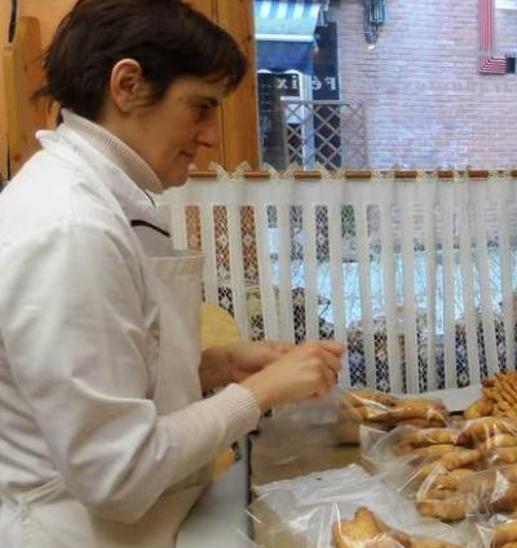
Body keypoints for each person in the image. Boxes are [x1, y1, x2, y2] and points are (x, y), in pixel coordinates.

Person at [0, 1, 346, 546]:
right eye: (200, 107)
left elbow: (116, 371)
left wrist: (212, 367)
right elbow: (118, 473)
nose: (210, 136)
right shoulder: (70, 228)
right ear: (128, 85)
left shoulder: (107, 199)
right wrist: (257, 394)